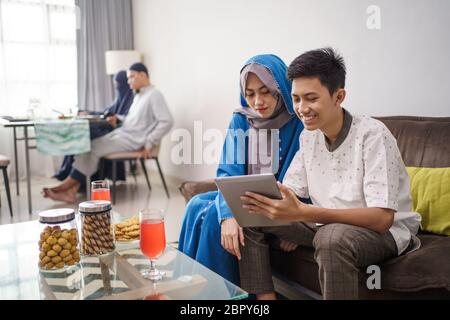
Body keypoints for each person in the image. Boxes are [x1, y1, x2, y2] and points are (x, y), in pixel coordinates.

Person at [239, 48, 422, 300]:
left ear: (338, 96)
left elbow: (382, 219)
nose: (302, 108)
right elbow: (290, 191)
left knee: (331, 237)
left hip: (382, 233)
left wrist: (304, 213)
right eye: (296, 99)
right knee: (252, 212)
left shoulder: (373, 135)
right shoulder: (309, 136)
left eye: (311, 98)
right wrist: (275, 205)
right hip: (322, 225)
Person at [178, 54, 304, 285]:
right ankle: (187, 285)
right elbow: (228, 171)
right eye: (250, 93)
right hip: (245, 199)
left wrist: (298, 226)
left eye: (265, 91)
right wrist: (229, 215)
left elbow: (305, 180)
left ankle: (217, 294)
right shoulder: (242, 119)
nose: (258, 101)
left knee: (214, 214)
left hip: (279, 205)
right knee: (197, 204)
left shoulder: (299, 121)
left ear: (281, 88)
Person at [43, 62, 174, 203]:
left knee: (93, 147)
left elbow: (167, 121)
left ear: (143, 75)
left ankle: (67, 186)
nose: (128, 81)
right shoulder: (139, 96)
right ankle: (71, 190)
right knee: (87, 145)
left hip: (133, 140)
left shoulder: (154, 95)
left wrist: (149, 143)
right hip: (123, 134)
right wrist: (118, 119)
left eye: (131, 77)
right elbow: (134, 120)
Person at [53, 70, 134, 182]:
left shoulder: (134, 100)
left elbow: (127, 120)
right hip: (110, 130)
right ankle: (72, 176)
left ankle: (83, 180)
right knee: (80, 134)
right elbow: (106, 112)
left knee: (88, 135)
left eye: (118, 84)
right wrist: (86, 112)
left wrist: (116, 119)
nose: (117, 87)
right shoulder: (120, 99)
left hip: (118, 135)